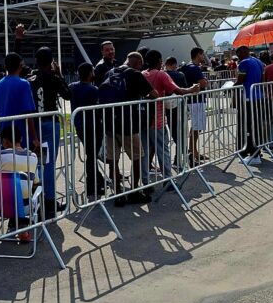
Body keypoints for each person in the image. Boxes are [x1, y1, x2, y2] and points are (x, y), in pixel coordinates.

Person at [100, 52, 157, 206]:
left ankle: (118, 193)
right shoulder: (135, 74)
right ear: (138, 62)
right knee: (137, 157)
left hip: (109, 123)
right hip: (128, 124)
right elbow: (154, 94)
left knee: (113, 160)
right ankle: (134, 191)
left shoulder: (110, 72)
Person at [0, 128, 40, 252]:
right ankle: (23, 230)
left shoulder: (0, 155)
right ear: (21, 139)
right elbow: (36, 182)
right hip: (24, 208)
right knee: (24, 192)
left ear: (5, 142)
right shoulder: (33, 157)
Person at [143, 51, 199, 182]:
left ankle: (145, 181)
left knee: (144, 152)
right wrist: (193, 88)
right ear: (159, 61)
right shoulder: (161, 74)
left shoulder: (142, 74)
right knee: (163, 150)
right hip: (157, 119)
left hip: (143, 120)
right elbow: (178, 90)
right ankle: (167, 179)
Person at [27, 47, 71, 215]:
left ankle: (36, 199)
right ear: (52, 61)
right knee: (49, 163)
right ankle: (50, 202)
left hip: (33, 125)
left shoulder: (29, 78)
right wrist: (59, 74)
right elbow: (68, 94)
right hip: (49, 124)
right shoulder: (53, 78)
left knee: (35, 163)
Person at [69, 62, 107, 198]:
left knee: (91, 154)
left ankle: (98, 179)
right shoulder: (94, 90)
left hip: (80, 126)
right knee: (92, 156)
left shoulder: (72, 87)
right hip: (93, 126)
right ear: (91, 73)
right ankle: (92, 186)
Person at [0, 52, 39, 151]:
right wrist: (34, 137)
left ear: (5, 66)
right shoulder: (24, 84)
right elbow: (28, 114)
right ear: (21, 65)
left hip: (4, 135)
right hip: (20, 135)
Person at [234, 46, 266, 165]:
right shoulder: (258, 61)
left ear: (242, 52)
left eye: (238, 55)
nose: (238, 57)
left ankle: (253, 154)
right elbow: (263, 78)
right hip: (258, 96)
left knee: (246, 126)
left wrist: (230, 88)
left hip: (248, 97)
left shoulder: (244, 62)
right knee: (255, 125)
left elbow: (240, 80)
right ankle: (254, 151)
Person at [180, 47, 210, 165]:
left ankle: (194, 150)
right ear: (198, 55)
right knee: (197, 126)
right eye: (202, 55)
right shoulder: (195, 68)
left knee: (195, 126)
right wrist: (205, 81)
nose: (203, 57)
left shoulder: (186, 66)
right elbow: (203, 83)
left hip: (191, 100)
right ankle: (193, 152)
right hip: (197, 100)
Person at [164, 57, 188, 168]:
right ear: (174, 64)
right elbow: (185, 90)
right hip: (179, 105)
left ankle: (175, 159)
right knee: (180, 133)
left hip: (165, 107)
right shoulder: (180, 75)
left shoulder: (163, 75)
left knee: (171, 132)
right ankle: (179, 158)